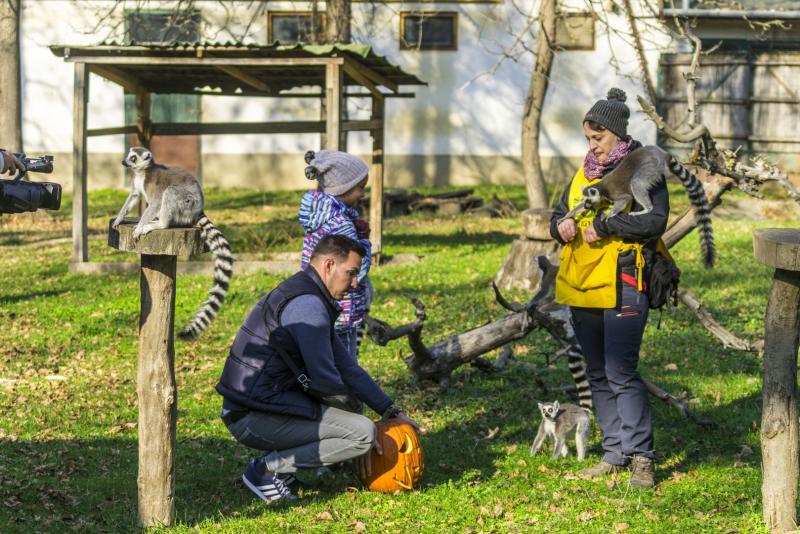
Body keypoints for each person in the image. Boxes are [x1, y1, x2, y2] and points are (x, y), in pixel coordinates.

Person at [216, 234, 420, 503]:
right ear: (328, 265)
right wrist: (360, 421)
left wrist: (389, 410)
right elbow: (326, 380)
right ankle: (266, 470)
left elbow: (347, 369)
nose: (356, 282)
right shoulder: (309, 306)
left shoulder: (306, 294)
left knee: (354, 422)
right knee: (361, 434)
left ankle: (283, 466)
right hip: (249, 418)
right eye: (351, 273)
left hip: (257, 404)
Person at [549, 88, 668, 489]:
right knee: (597, 372)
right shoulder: (581, 173)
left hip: (625, 283)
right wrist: (559, 227)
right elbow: (557, 215)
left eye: (598, 138)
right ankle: (615, 454)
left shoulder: (640, 166)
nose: (592, 146)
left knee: (621, 371)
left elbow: (655, 223)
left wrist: (607, 225)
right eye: (588, 138)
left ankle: (642, 459)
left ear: (618, 134)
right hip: (583, 285)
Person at [298, 149, 372, 360]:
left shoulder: (319, 215)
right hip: (343, 307)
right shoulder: (341, 224)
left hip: (318, 301)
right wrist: (365, 241)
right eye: (360, 188)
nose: (363, 194)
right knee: (345, 364)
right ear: (344, 189)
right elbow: (357, 268)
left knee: (325, 359)